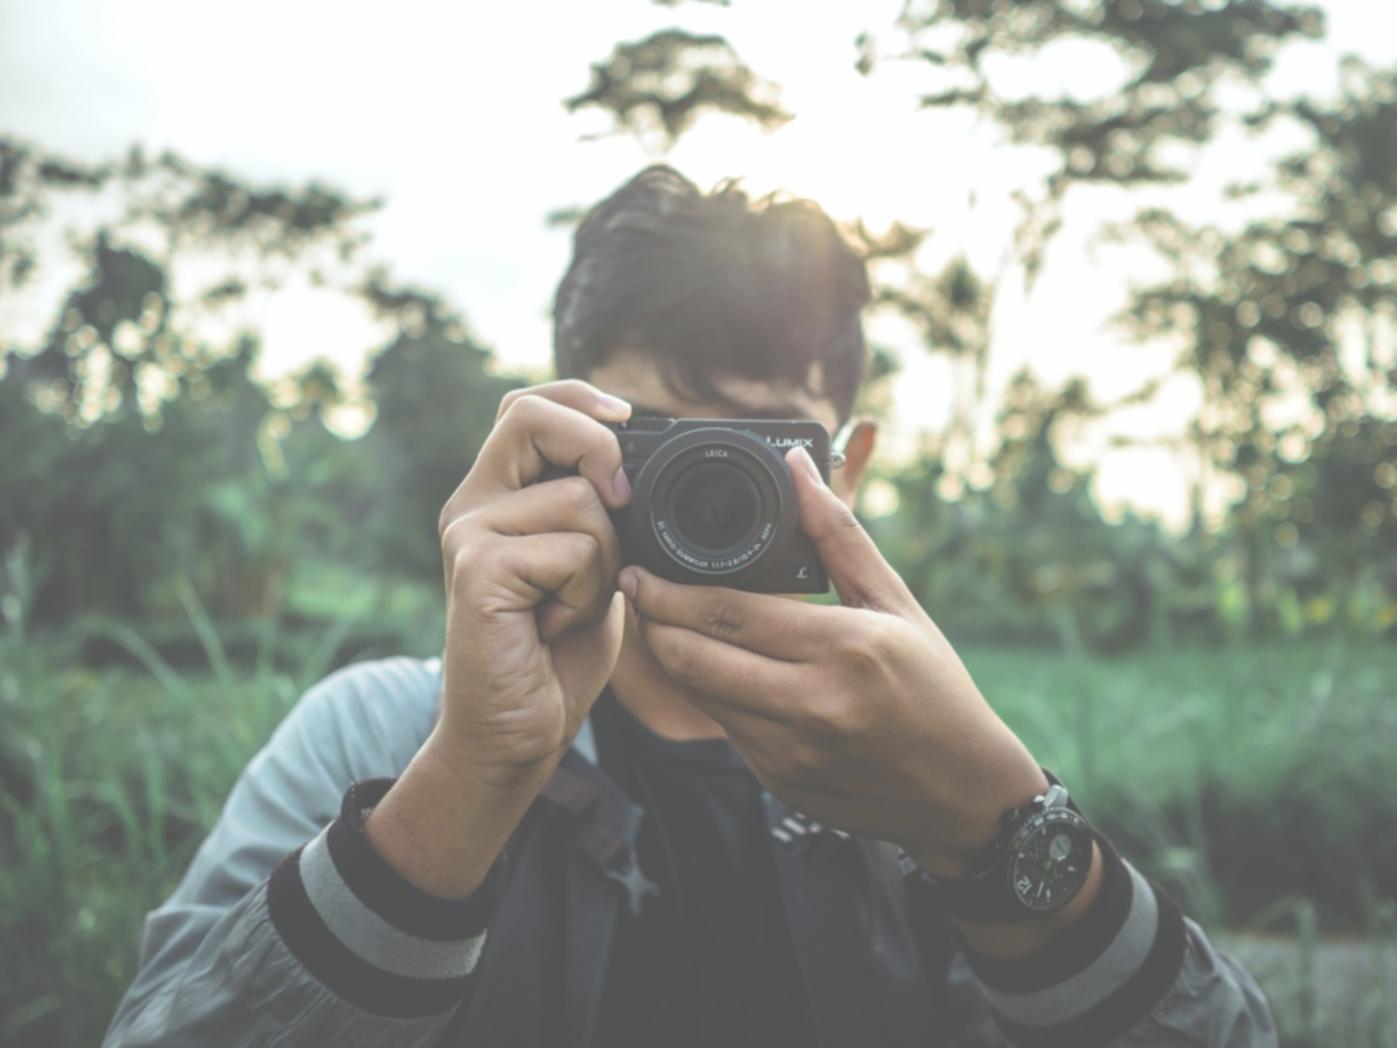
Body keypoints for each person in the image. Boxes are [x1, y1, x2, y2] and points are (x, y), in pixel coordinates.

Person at [104, 166, 1275, 1047]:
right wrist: (474, 768)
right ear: (564, 430)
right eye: (667, 444)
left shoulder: (918, 764)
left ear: (845, 469)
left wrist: (996, 823)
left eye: (759, 452)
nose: (710, 498)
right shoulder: (379, 736)